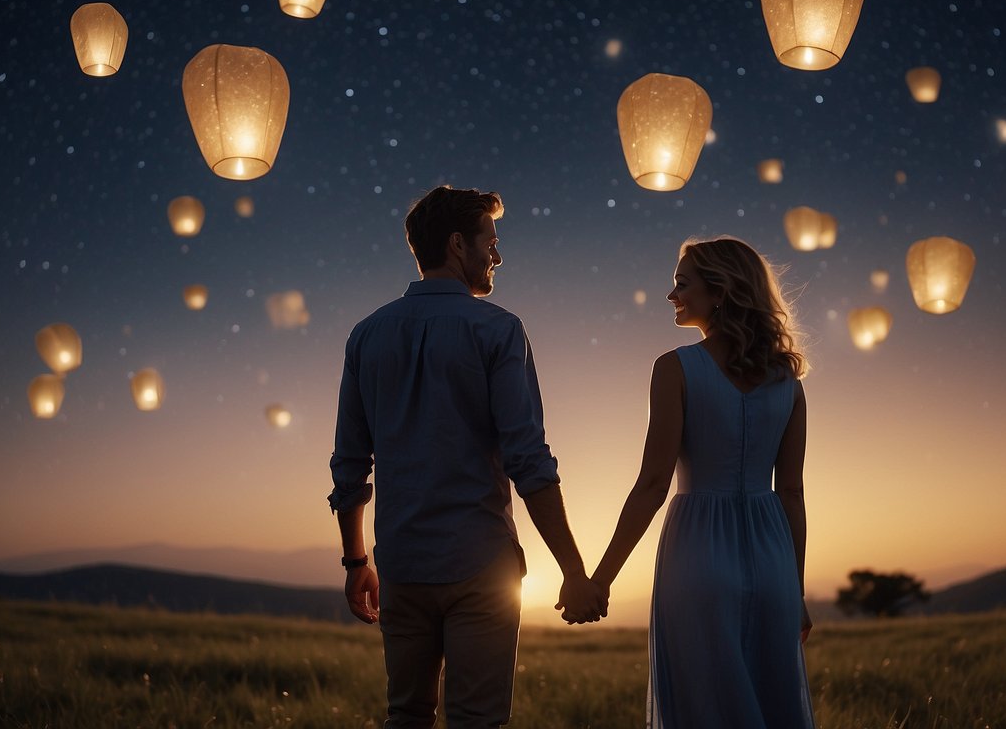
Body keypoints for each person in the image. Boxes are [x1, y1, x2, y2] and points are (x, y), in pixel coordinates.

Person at [329, 185, 607, 729]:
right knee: (478, 721)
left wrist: (357, 562)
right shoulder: (498, 330)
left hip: (403, 564)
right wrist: (573, 571)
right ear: (458, 245)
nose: (497, 256)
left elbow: (349, 465)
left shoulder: (366, 336)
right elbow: (528, 460)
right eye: (491, 242)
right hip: (481, 565)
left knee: (405, 716)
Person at [588, 236, 815, 728]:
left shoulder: (675, 368)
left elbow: (652, 485)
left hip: (697, 556)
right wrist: (793, 591)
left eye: (682, 283)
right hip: (773, 559)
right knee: (774, 704)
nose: (672, 294)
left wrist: (600, 580)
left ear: (720, 292)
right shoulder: (788, 383)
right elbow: (791, 493)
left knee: (703, 710)